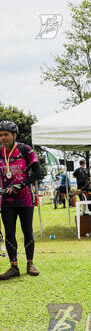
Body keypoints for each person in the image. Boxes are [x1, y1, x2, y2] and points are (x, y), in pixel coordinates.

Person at [0, 120, 41, 279]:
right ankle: (14, 267)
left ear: (14, 135)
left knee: (27, 231)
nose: (3, 138)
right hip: (6, 201)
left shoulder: (25, 150)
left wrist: (22, 185)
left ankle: (30, 263)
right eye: (1, 135)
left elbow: (38, 173)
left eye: (6, 135)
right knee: (9, 233)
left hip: (25, 199)